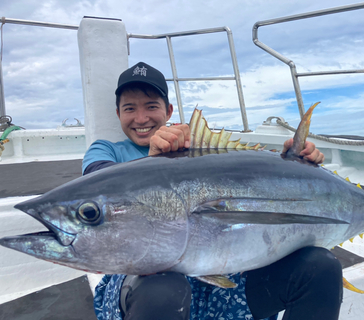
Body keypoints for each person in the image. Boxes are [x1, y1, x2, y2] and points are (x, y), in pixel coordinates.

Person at [83, 62, 343, 320]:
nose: (141, 118)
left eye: (151, 106)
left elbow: (247, 178)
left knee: (321, 267)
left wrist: (298, 164)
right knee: (164, 291)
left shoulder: (192, 145)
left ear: (168, 110)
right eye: (130, 108)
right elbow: (98, 186)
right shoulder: (106, 150)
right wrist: (151, 165)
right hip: (143, 282)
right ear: (118, 113)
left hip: (226, 282)